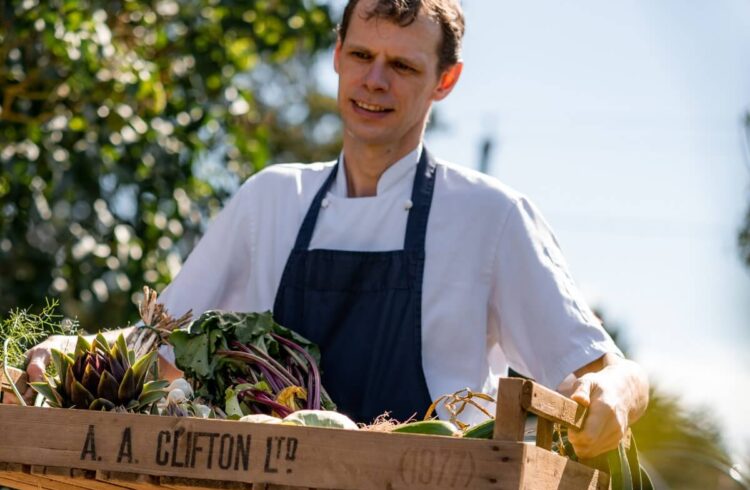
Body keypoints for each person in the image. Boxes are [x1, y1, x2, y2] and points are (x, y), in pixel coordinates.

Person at [17, 0, 648, 459]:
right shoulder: (271, 199)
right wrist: (71, 353)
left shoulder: (491, 215)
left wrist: (614, 398)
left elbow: (603, 368)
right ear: (337, 57)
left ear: (445, 81)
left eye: (402, 66)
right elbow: (158, 339)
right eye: (362, 55)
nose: (375, 81)